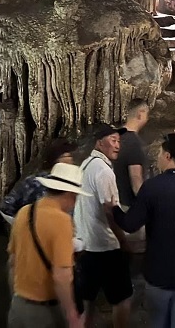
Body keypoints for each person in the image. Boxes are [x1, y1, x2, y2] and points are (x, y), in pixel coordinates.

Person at [113, 133, 175, 328]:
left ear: (167, 156)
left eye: (159, 153)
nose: (157, 157)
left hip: (158, 275)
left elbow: (130, 224)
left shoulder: (152, 187)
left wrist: (113, 208)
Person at [7, 162, 89, 328]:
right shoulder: (61, 221)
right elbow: (62, 276)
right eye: (75, 197)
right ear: (69, 194)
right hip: (44, 314)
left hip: (17, 308)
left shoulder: (24, 212)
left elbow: (12, 262)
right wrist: (72, 315)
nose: (74, 203)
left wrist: (16, 297)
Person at [73, 124, 133, 328]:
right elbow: (109, 210)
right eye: (113, 140)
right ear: (100, 142)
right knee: (122, 297)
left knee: (87, 299)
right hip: (106, 246)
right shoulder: (103, 171)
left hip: (86, 245)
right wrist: (123, 240)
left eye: (119, 141)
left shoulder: (86, 164)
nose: (117, 145)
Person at [0, 139, 78, 224]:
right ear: (56, 159)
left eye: (71, 157)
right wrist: (25, 227)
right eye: (67, 156)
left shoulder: (72, 183)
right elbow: (6, 206)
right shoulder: (34, 182)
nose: (71, 160)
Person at [113, 99, 151, 253]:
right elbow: (136, 181)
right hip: (130, 208)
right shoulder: (134, 143)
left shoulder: (115, 138)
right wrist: (147, 207)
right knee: (137, 249)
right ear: (140, 114)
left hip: (116, 204)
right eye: (147, 115)